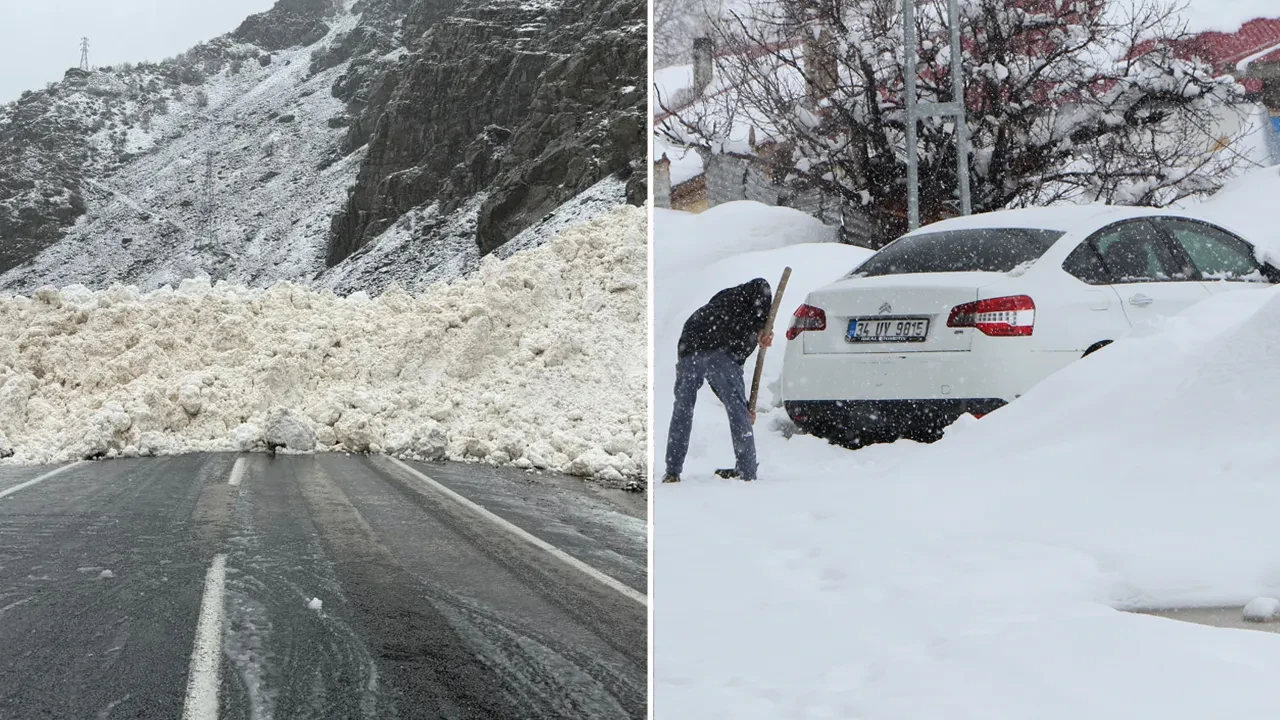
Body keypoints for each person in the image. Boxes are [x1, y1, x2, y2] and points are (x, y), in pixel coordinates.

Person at [662, 278, 774, 483]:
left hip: (689, 342)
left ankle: (672, 472)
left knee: (683, 408)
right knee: (736, 409)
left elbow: (719, 381)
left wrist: (743, 405)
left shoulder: (726, 305)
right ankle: (747, 472)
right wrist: (762, 327)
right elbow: (761, 284)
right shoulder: (746, 309)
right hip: (715, 344)